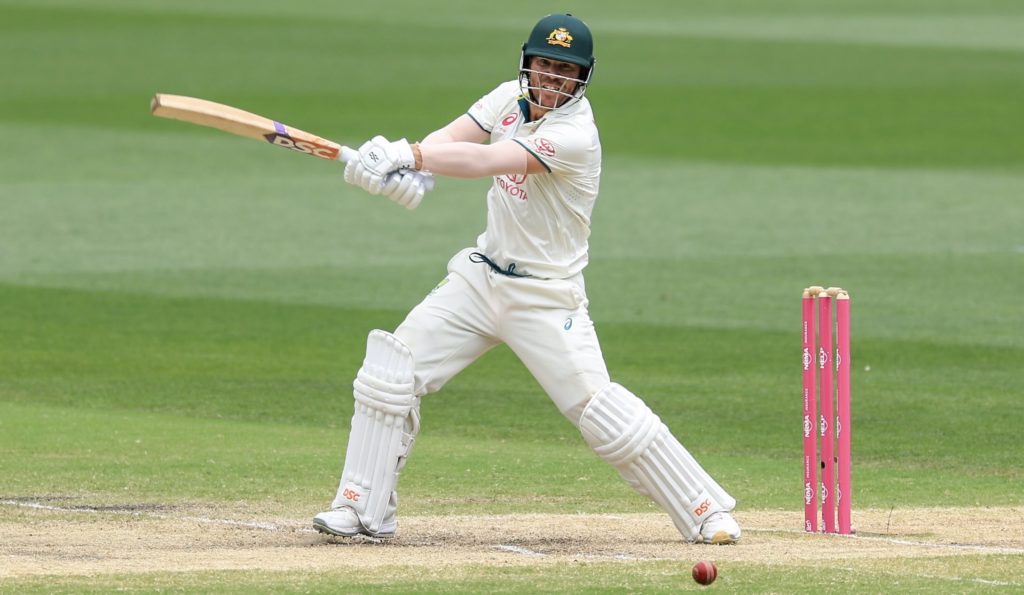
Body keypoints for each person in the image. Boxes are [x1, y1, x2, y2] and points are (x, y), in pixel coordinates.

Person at [313, 13, 741, 545]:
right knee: (390, 371)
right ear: (527, 63)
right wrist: (402, 173)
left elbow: (488, 159)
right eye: (545, 64)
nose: (553, 77)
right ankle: (361, 509)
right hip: (479, 278)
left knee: (600, 411)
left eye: (567, 69)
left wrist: (409, 155)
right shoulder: (505, 99)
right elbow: (449, 140)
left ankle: (704, 508)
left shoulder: (575, 134)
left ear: (583, 76)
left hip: (545, 296)